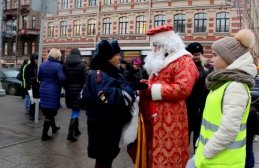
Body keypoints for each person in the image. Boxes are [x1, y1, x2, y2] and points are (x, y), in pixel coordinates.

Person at [190, 29, 257, 168]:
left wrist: (205, 153)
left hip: (221, 161)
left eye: (215, 55)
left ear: (228, 59)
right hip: (212, 159)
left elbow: (229, 131)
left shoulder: (235, 87)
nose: (212, 59)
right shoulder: (224, 83)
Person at [139, 25, 199, 168]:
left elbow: (183, 88)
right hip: (154, 116)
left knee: (169, 155)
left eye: (156, 45)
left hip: (172, 118)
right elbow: (161, 82)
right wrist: (145, 84)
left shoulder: (184, 61)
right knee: (152, 151)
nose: (153, 49)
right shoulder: (162, 60)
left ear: (167, 44)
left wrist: (151, 88)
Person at [82, 40, 137, 168]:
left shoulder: (103, 73)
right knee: (104, 161)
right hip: (104, 129)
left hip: (104, 128)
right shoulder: (100, 75)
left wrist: (131, 86)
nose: (120, 57)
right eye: (117, 54)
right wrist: (128, 91)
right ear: (108, 58)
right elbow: (108, 99)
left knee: (105, 161)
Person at [185, 42, 212, 150]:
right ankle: (183, 157)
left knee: (199, 133)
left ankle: (197, 156)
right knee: (186, 132)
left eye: (198, 54)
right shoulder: (186, 66)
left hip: (202, 105)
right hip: (188, 104)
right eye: (194, 54)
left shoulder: (206, 66)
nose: (196, 57)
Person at [38, 48, 66, 141]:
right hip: (53, 90)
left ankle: (54, 128)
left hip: (43, 89)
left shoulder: (43, 65)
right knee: (50, 113)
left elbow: (39, 77)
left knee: (48, 110)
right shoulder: (58, 66)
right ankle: (44, 134)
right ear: (58, 56)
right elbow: (62, 78)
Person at [63, 48, 86, 142]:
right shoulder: (82, 65)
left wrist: (66, 88)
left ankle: (76, 130)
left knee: (74, 109)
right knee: (76, 111)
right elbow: (84, 79)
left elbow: (63, 79)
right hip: (78, 91)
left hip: (68, 91)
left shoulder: (65, 65)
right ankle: (70, 134)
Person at [23, 54, 39, 120]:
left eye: (38, 59)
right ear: (33, 59)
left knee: (36, 101)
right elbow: (26, 77)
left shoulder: (37, 66)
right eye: (36, 59)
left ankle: (34, 115)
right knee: (32, 101)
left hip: (36, 86)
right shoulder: (28, 67)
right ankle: (32, 115)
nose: (37, 60)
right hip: (31, 86)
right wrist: (30, 83)